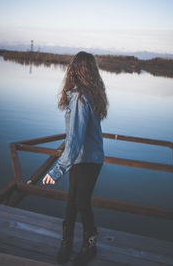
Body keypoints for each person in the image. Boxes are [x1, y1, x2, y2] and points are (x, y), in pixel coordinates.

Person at [42, 51, 108, 265]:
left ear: (75, 70)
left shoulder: (80, 97)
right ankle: (66, 243)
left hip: (87, 158)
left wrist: (56, 170)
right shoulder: (87, 93)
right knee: (73, 201)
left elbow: (75, 139)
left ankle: (90, 245)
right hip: (85, 157)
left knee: (81, 202)